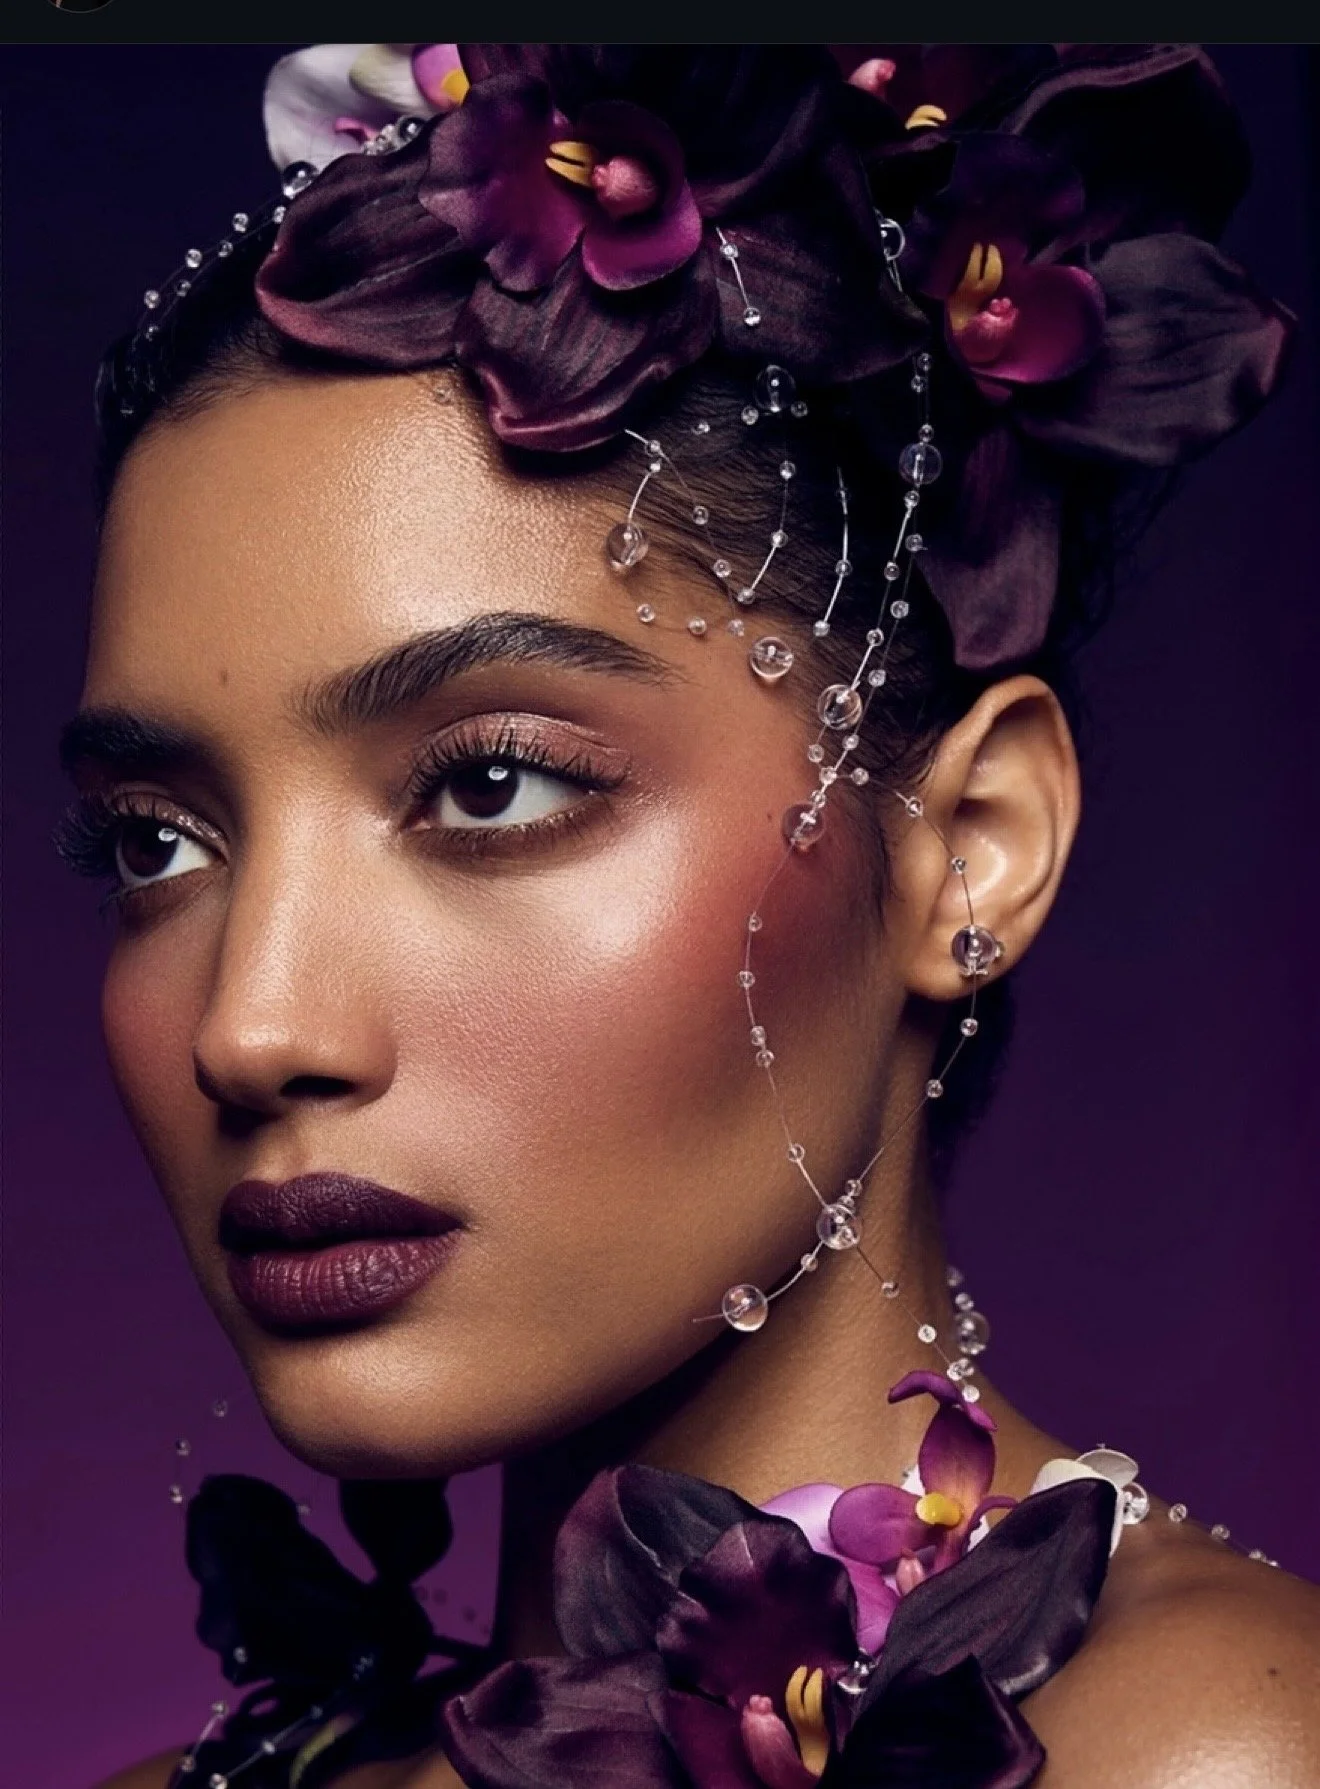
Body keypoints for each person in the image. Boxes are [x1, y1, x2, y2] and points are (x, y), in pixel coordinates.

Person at [65, 43, 1319, 1789]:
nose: (250, 1026)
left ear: (970, 847)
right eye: (155, 842)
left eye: (490, 785)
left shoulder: (1224, 1752)